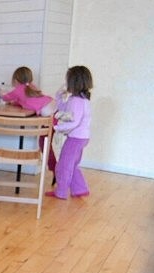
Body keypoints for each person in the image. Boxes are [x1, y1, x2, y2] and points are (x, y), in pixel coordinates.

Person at [0, 66, 58, 180]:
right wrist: (14, 103)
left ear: (16, 80)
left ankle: (56, 169)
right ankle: (55, 169)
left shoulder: (18, 90)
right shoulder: (31, 87)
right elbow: (23, 101)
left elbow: (6, 97)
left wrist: (1, 93)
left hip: (49, 116)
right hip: (54, 110)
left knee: (45, 145)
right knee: (46, 144)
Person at [45, 65, 94, 200]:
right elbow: (63, 108)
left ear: (73, 82)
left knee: (64, 165)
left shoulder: (77, 101)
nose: (65, 82)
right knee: (72, 164)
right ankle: (79, 189)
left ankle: (61, 192)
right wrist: (59, 94)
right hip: (81, 138)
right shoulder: (80, 99)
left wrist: (56, 127)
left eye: (67, 80)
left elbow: (74, 121)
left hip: (75, 139)